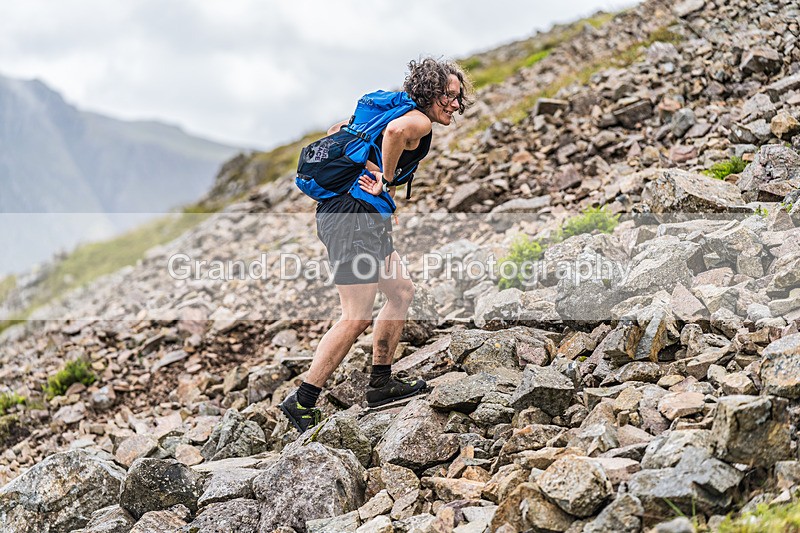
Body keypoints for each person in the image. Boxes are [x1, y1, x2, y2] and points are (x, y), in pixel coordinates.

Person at [280, 57, 473, 433]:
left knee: (401, 291)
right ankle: (302, 401)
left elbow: (339, 130)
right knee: (355, 316)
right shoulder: (414, 118)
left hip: (359, 216)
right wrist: (384, 180)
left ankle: (381, 384)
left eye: (458, 97)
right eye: (448, 96)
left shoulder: (382, 108)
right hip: (352, 219)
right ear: (429, 92)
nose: (454, 104)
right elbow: (397, 133)